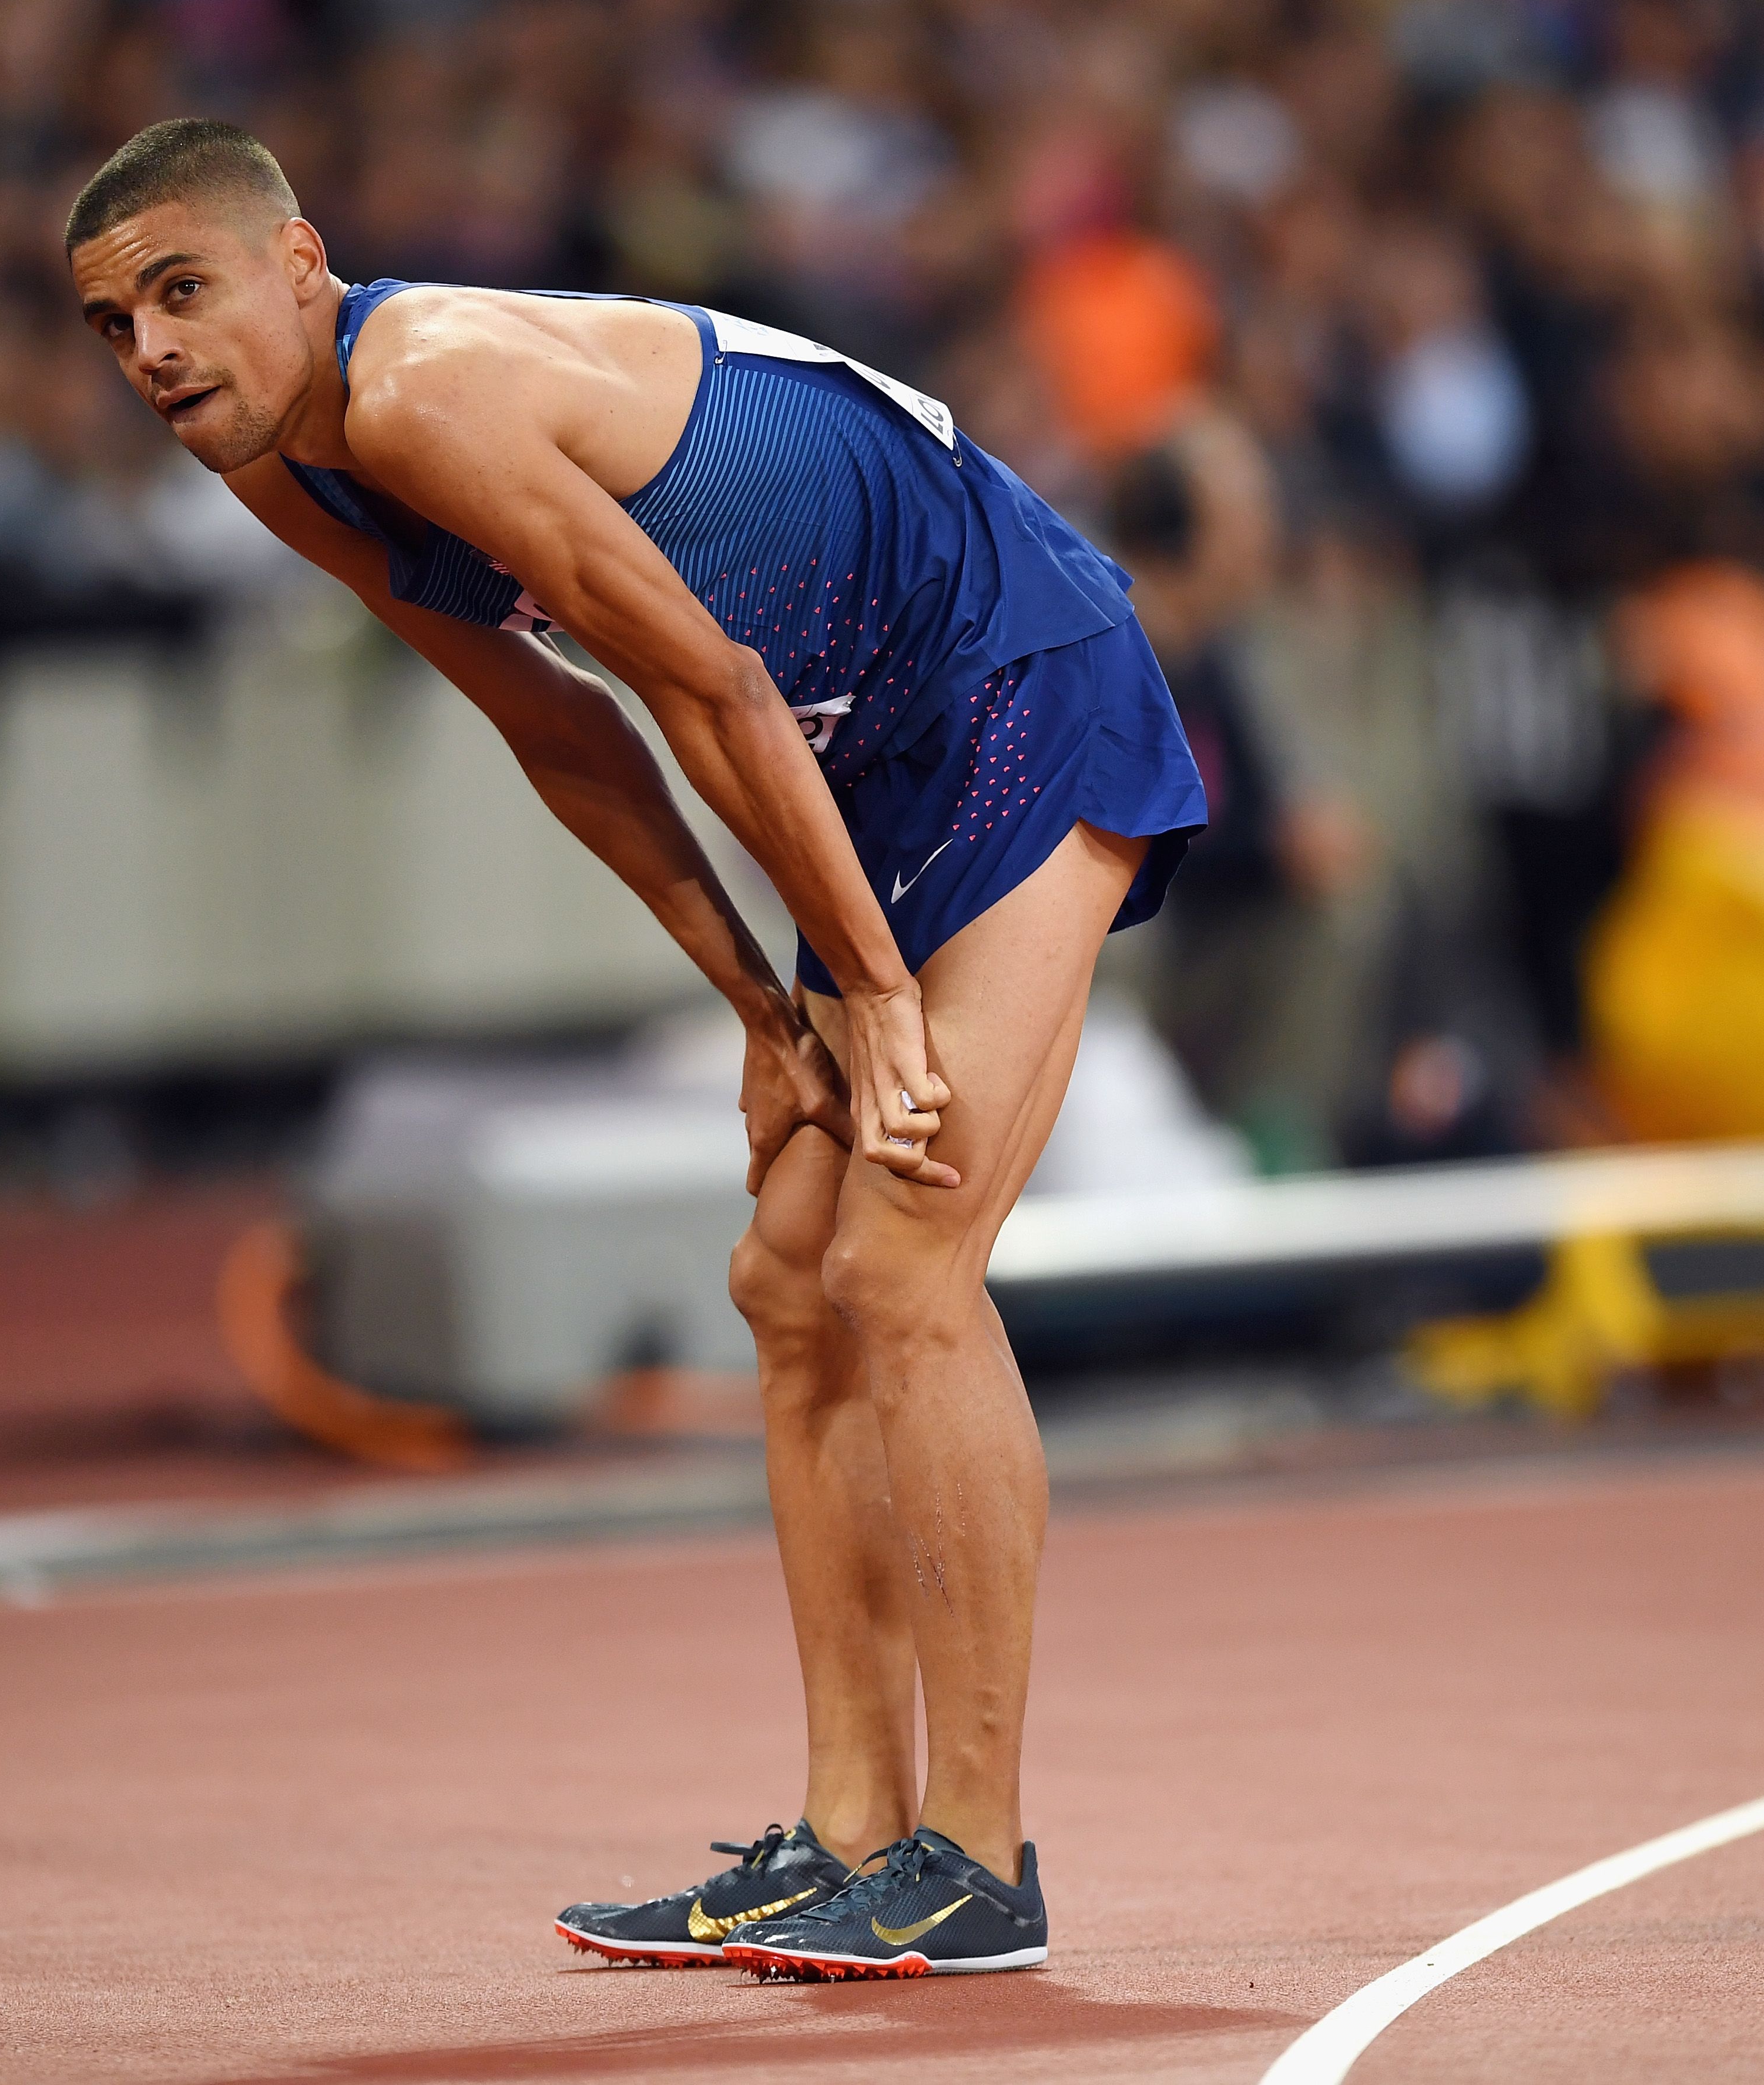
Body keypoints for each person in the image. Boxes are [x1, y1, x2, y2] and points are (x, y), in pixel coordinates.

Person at [65, 119, 1203, 1980]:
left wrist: (881, 1007)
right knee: (787, 1279)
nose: (155, 355)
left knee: (902, 1257)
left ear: (300, 265)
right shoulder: (294, 476)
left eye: (182, 294)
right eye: (115, 327)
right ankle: (849, 1831)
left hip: (1009, 683)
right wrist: (768, 1014)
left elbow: (711, 686)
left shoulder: (425, 389)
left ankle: (980, 1862)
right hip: (854, 747)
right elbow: (572, 735)